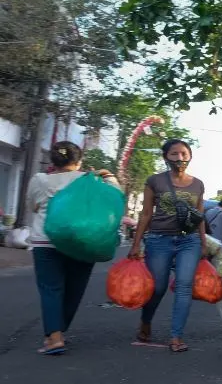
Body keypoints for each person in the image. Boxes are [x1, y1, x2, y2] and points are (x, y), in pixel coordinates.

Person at [26, 141, 121, 355]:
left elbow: (32, 206)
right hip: (83, 241)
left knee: (51, 288)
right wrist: (107, 175)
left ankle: (55, 335)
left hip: (46, 242)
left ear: (53, 160)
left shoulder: (41, 180)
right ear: (79, 161)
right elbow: (115, 195)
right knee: (74, 290)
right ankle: (58, 332)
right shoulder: (92, 181)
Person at [129, 139, 206, 352]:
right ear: (165, 157)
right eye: (174, 154)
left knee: (184, 286)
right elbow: (146, 214)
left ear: (190, 156)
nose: (179, 158)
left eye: (183, 153)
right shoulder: (154, 181)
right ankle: (146, 320)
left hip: (189, 241)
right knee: (158, 287)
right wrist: (136, 244)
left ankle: (176, 336)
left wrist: (203, 242)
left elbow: (199, 215)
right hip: (158, 239)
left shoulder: (198, 184)